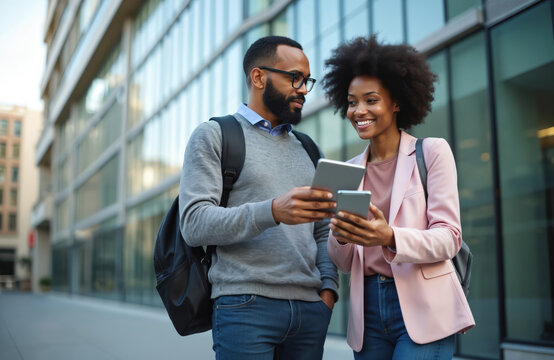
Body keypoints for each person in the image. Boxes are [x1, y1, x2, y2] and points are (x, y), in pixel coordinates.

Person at [179, 35, 339, 360]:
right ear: (258, 76)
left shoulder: (309, 148)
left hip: (310, 310)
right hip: (245, 306)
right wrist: (273, 211)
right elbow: (194, 224)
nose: (304, 89)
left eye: (307, 80)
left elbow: (323, 230)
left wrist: (328, 289)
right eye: (294, 78)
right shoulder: (215, 135)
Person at [321, 35, 475, 359]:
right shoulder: (348, 171)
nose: (358, 111)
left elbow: (450, 238)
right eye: (351, 102)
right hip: (368, 313)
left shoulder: (432, 152)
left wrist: (389, 236)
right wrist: (340, 235)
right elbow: (343, 262)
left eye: (371, 100)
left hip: (425, 304)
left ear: (396, 102)